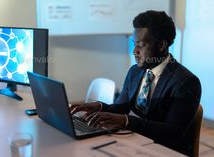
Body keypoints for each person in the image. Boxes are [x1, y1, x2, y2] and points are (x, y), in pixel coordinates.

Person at [70, 10, 201, 155]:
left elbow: (173, 133)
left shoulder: (186, 82)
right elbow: (122, 107)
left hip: (164, 150)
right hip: (137, 144)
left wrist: (127, 121)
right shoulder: (135, 71)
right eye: (134, 44)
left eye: (141, 45)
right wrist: (100, 107)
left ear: (162, 45)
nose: (134, 51)